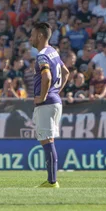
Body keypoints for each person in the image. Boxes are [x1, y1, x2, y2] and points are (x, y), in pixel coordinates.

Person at [29, 22, 70, 188]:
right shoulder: (54, 52)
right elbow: (66, 72)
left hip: (46, 103)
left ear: (39, 36)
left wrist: (43, 96)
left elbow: (46, 77)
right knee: (48, 140)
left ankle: (52, 181)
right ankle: (51, 180)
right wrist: (56, 91)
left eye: (32, 35)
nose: (30, 38)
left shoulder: (42, 56)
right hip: (55, 101)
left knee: (47, 141)